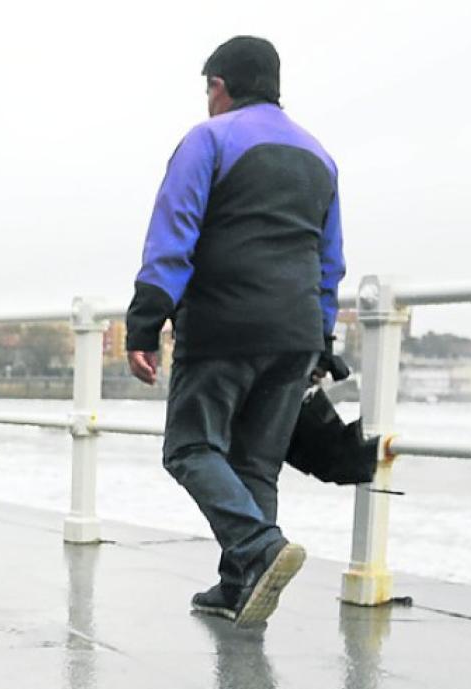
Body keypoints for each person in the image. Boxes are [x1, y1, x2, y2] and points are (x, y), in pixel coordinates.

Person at [126, 35, 345, 626]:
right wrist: (322, 340)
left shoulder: (209, 140)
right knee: (255, 466)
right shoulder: (319, 157)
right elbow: (331, 262)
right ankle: (239, 587)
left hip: (225, 323)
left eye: (208, 90)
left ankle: (258, 549)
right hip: (297, 331)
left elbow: (173, 234)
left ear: (219, 86)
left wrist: (145, 322)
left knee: (190, 447)